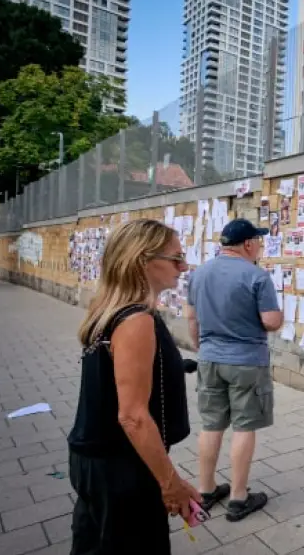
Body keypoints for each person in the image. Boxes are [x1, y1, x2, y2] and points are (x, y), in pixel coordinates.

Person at [69, 219, 199, 554]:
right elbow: (133, 416)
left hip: (99, 460)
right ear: (143, 260)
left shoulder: (111, 311)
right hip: (120, 466)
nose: (183, 266)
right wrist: (170, 484)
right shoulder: (136, 320)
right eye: (175, 257)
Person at [186, 218, 282, 522]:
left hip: (209, 358)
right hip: (246, 362)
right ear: (249, 244)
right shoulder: (257, 276)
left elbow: (191, 318)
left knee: (211, 424)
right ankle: (239, 497)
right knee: (244, 425)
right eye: (260, 242)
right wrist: (278, 317)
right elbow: (270, 321)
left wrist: (202, 349)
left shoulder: (199, 274)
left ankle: (206, 489)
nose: (261, 248)